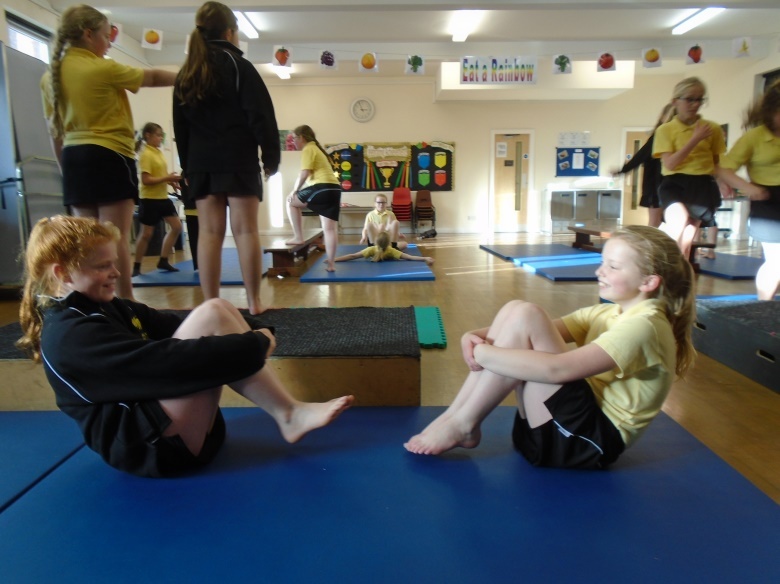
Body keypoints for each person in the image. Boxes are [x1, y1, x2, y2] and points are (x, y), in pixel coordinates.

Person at [16, 216, 354, 478]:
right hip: (152, 450)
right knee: (211, 320)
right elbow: (165, 364)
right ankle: (289, 414)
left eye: (114, 263)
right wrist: (252, 345)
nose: (116, 273)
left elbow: (169, 324)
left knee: (215, 309)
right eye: (103, 266)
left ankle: (288, 413)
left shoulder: (106, 307)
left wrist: (255, 331)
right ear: (63, 274)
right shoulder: (70, 335)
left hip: (174, 435)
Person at [404, 225, 696, 469]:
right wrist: (471, 335)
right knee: (519, 309)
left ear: (649, 281)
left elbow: (558, 370)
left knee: (527, 314)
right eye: (603, 262)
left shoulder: (645, 326)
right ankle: (456, 417)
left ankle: (464, 423)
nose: (600, 271)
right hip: (553, 430)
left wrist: (482, 352)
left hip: (583, 444)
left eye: (613, 266)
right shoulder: (609, 313)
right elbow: (522, 326)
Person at [40, 4, 178, 300]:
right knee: (114, 239)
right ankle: (127, 304)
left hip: (75, 160)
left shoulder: (50, 76)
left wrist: (66, 172)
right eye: (106, 36)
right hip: (109, 156)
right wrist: (188, 77)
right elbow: (152, 77)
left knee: (87, 243)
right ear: (88, 35)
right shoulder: (101, 67)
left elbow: (55, 133)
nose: (109, 43)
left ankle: (92, 304)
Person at [173, 1, 280, 315]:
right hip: (238, 158)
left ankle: (210, 305)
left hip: (201, 163)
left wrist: (187, 166)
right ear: (230, 32)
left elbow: (180, 125)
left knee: (209, 232)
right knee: (245, 230)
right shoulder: (238, 66)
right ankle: (254, 302)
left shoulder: (187, 72)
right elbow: (261, 115)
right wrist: (270, 157)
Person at [716, 79, 780, 301]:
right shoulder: (755, 137)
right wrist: (749, 188)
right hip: (768, 202)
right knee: (776, 261)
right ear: (771, 111)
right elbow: (724, 169)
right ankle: (763, 305)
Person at [653, 77, 726, 260]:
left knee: (688, 238)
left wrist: (723, 182)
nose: (695, 104)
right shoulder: (665, 130)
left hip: (702, 183)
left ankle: (681, 267)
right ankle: (665, 261)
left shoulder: (712, 129)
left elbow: (716, 163)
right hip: (675, 182)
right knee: (678, 221)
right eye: (689, 99)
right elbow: (670, 163)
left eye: (699, 99)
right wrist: (695, 139)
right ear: (675, 101)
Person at [286, 125, 341, 272]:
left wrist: (294, 190)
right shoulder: (316, 148)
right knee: (329, 229)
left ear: (302, 138)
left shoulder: (308, 149)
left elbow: (304, 173)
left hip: (322, 187)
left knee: (290, 201)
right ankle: (331, 264)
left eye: (294, 138)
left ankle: (298, 236)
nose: (293, 142)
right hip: (334, 189)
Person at [612, 103, 675, 228]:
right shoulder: (657, 138)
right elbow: (639, 157)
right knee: (655, 222)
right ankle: (651, 241)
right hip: (655, 186)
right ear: (663, 118)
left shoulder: (675, 139)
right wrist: (623, 171)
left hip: (669, 185)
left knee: (665, 220)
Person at [132, 122, 183, 277]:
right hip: (149, 199)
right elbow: (146, 180)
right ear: (148, 135)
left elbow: (159, 176)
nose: (161, 138)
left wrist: (171, 182)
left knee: (177, 227)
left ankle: (163, 260)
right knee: (146, 234)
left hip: (162, 198)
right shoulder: (146, 154)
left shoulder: (158, 152)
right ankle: (136, 266)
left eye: (162, 136)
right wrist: (167, 178)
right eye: (158, 135)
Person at [335, 231, 434, 264]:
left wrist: (334, 259)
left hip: (380, 250)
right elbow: (410, 257)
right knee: (404, 244)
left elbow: (352, 256)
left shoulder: (371, 249)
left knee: (403, 244)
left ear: (376, 242)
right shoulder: (391, 250)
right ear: (389, 243)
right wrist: (425, 258)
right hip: (392, 251)